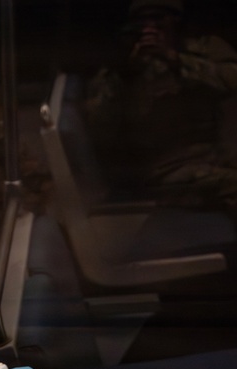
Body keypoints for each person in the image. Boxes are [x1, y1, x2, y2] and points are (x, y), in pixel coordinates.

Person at [85, 0, 237, 217]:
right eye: (142, 21)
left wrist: (176, 60)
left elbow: (231, 79)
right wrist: (126, 77)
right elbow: (99, 130)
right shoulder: (124, 68)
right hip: (163, 171)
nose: (149, 27)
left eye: (158, 18)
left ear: (176, 21)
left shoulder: (201, 49)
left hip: (211, 153)